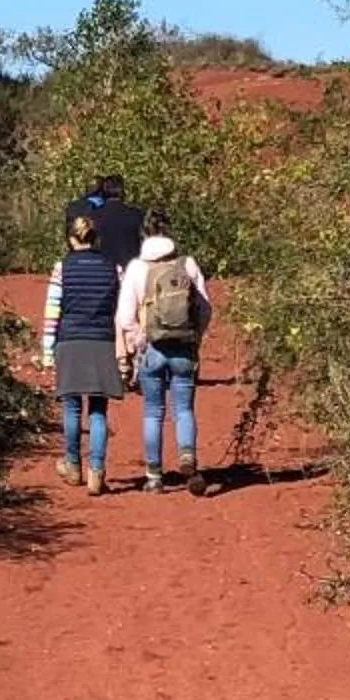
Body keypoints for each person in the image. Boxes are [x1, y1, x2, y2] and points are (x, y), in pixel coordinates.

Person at [115, 209, 213, 494]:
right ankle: (187, 457)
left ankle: (154, 476)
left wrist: (139, 341)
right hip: (184, 348)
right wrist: (195, 338)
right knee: (183, 408)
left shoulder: (136, 268)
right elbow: (205, 308)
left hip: (152, 350)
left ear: (143, 234)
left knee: (152, 412)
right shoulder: (187, 264)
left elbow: (124, 317)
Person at [39, 211, 125, 495]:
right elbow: (121, 310)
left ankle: (73, 464)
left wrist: (47, 349)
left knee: (71, 406)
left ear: (70, 238)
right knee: (99, 409)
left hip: (70, 340)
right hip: (102, 341)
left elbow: (53, 310)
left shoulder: (62, 268)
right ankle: (97, 472)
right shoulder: (114, 268)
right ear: (94, 237)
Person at [62, 173, 146, 271]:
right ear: (122, 192)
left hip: (102, 271)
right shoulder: (137, 215)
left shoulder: (92, 217)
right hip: (131, 269)